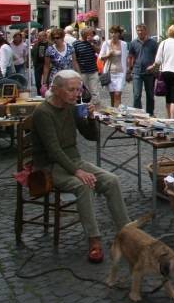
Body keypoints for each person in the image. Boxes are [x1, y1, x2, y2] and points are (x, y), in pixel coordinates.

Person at [31, 70, 130, 263]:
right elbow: (53, 150)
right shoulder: (43, 112)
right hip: (50, 167)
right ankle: (94, 240)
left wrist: (92, 119)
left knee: (112, 180)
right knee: (83, 185)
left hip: (73, 160)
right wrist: (78, 172)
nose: (77, 93)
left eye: (78, 89)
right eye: (71, 90)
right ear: (56, 89)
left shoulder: (71, 106)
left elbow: (91, 136)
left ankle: (127, 232)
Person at [127, 24, 158, 116]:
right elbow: (130, 56)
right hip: (137, 71)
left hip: (150, 72)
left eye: (141, 30)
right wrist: (129, 70)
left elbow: (158, 57)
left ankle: (150, 113)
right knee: (137, 94)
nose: (139, 32)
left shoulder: (152, 43)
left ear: (146, 31)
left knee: (150, 95)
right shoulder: (133, 42)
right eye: (138, 30)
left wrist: (155, 67)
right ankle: (137, 113)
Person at [42, 28, 80, 95]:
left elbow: (75, 62)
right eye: (53, 38)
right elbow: (46, 66)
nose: (55, 40)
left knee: (69, 96)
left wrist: (79, 77)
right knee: (55, 97)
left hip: (69, 77)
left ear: (63, 37)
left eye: (57, 38)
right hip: (55, 77)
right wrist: (44, 82)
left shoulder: (70, 48)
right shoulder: (50, 50)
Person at [99, 25, 128, 108]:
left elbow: (125, 58)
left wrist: (128, 70)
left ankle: (118, 113)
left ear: (119, 34)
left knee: (117, 94)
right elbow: (100, 57)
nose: (113, 34)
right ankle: (113, 114)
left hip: (120, 72)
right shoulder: (106, 43)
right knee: (112, 96)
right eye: (111, 33)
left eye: (115, 32)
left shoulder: (124, 44)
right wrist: (108, 55)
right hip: (110, 72)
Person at [72, 28, 101, 102]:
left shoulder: (93, 42)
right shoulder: (76, 44)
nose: (91, 36)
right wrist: (78, 72)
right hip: (82, 71)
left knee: (95, 92)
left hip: (93, 70)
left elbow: (99, 51)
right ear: (84, 35)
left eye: (91, 34)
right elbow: (74, 59)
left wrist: (92, 43)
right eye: (90, 34)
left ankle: (95, 108)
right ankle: (84, 107)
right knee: (83, 91)